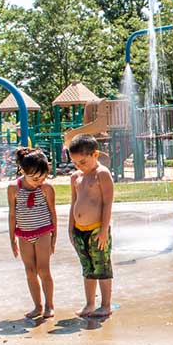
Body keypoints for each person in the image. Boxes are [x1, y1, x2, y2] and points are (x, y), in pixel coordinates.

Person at [68, 135, 115, 319]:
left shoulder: (101, 174)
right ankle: (89, 303)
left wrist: (104, 230)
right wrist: (71, 228)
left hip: (97, 230)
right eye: (75, 163)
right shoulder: (76, 177)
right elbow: (73, 204)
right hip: (80, 230)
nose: (79, 166)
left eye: (83, 162)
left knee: (101, 267)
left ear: (95, 154)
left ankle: (106, 305)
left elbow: (108, 203)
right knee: (87, 268)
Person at [9, 148, 57, 321]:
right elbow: (12, 214)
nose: (40, 181)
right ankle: (37, 306)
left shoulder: (46, 188)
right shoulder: (14, 188)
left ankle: (49, 305)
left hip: (43, 231)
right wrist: (12, 238)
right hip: (23, 234)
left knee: (43, 270)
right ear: (23, 171)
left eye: (43, 177)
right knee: (30, 271)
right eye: (35, 178)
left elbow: (53, 213)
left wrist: (54, 238)